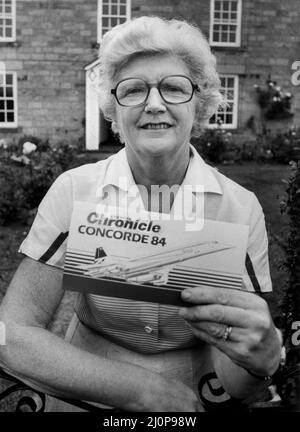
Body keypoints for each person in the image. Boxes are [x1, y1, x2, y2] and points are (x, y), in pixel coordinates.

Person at [0, 16, 283, 412]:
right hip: (86, 391)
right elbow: (11, 333)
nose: (154, 103)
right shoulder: (74, 191)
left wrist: (260, 360)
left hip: (196, 398)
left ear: (198, 105)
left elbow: (237, 362)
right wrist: (136, 390)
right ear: (113, 110)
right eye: (133, 90)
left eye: (173, 87)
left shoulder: (239, 207)